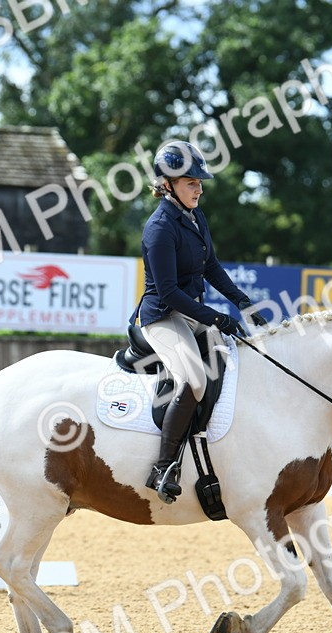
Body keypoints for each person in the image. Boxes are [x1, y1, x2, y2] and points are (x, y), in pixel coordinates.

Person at [132, 140, 268, 503]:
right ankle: (163, 467)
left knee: (240, 362)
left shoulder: (194, 216)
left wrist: (242, 302)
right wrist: (217, 318)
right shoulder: (159, 227)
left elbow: (211, 267)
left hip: (192, 313)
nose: (200, 188)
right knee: (193, 380)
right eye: (192, 182)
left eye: (199, 181)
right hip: (163, 316)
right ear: (169, 184)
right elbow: (170, 292)